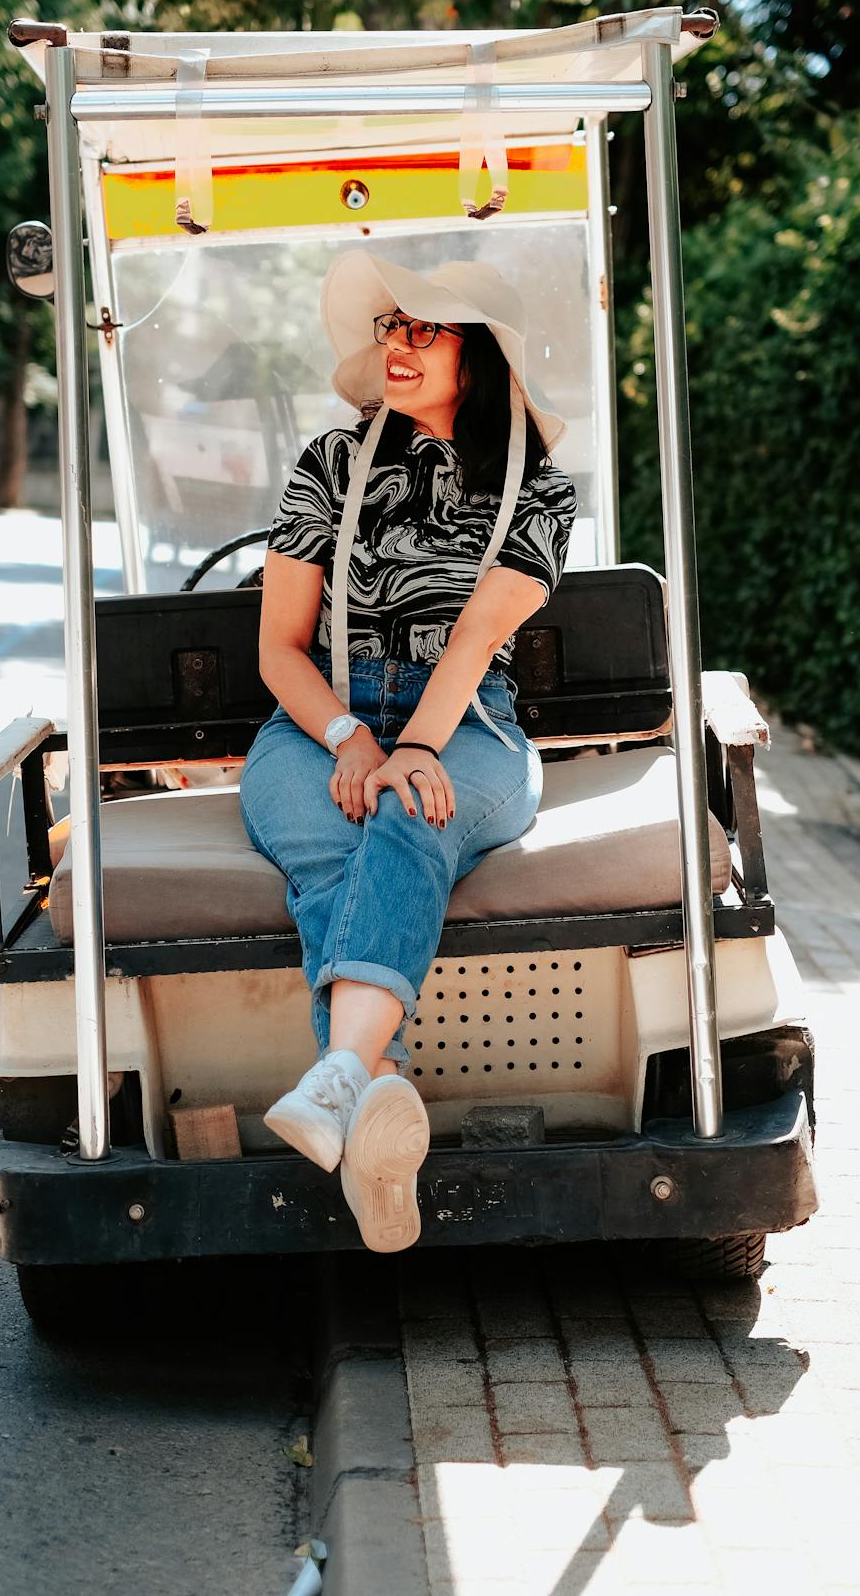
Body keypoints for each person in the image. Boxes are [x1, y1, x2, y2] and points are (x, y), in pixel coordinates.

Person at [239, 253, 575, 1252]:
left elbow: (476, 639)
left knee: (404, 815)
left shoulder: (537, 487)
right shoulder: (330, 464)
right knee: (329, 837)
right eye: (391, 325)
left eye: (423, 328)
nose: (396, 342)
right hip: (320, 721)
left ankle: (340, 1077)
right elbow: (277, 648)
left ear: (478, 353)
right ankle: (369, 1096)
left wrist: (414, 747)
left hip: (470, 724)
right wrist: (347, 734)